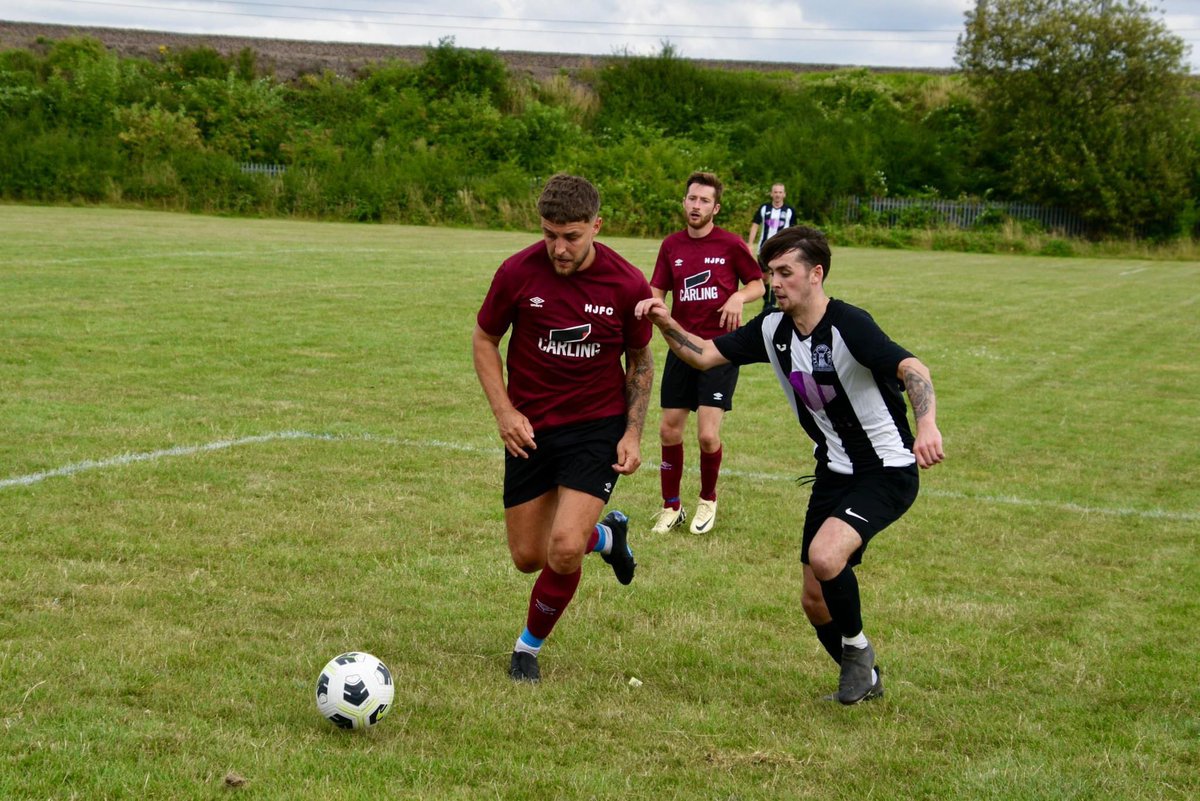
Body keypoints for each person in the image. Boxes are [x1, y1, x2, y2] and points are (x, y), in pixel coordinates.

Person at [635, 225, 944, 704]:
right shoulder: (772, 329)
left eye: (786, 272)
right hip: (833, 472)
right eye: (770, 273)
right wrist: (664, 321)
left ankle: (858, 655)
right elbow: (706, 355)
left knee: (825, 557)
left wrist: (926, 426)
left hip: (886, 470)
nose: (774, 283)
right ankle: (867, 679)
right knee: (813, 599)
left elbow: (913, 369)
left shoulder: (848, 325)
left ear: (816, 274)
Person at [473, 174, 655, 683]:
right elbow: (485, 340)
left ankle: (527, 648)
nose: (559, 247)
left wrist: (632, 433)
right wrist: (505, 412)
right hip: (530, 428)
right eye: (550, 233)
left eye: (571, 236)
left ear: (597, 226)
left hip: (596, 428)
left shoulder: (626, 283)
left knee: (563, 547)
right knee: (528, 557)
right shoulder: (517, 272)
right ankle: (608, 538)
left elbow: (640, 361)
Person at [647, 171, 764, 536]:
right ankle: (671, 506)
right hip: (681, 348)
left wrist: (737, 296)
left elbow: (758, 284)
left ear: (716, 207)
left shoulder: (730, 244)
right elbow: (657, 290)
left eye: (704, 201)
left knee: (708, 437)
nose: (696, 206)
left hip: (719, 350)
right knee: (669, 430)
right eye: (691, 199)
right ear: (684, 202)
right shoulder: (671, 246)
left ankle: (707, 499)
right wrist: (655, 310)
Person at [747, 183, 797, 312]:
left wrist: (794, 246)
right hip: (764, 249)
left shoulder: (789, 211)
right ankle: (766, 301)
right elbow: (755, 225)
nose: (778, 195)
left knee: (778, 275)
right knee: (764, 277)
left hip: (782, 250)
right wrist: (750, 243)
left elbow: (794, 231)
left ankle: (773, 302)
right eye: (775, 192)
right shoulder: (764, 208)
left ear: (784, 194)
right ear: (771, 194)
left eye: (780, 192)